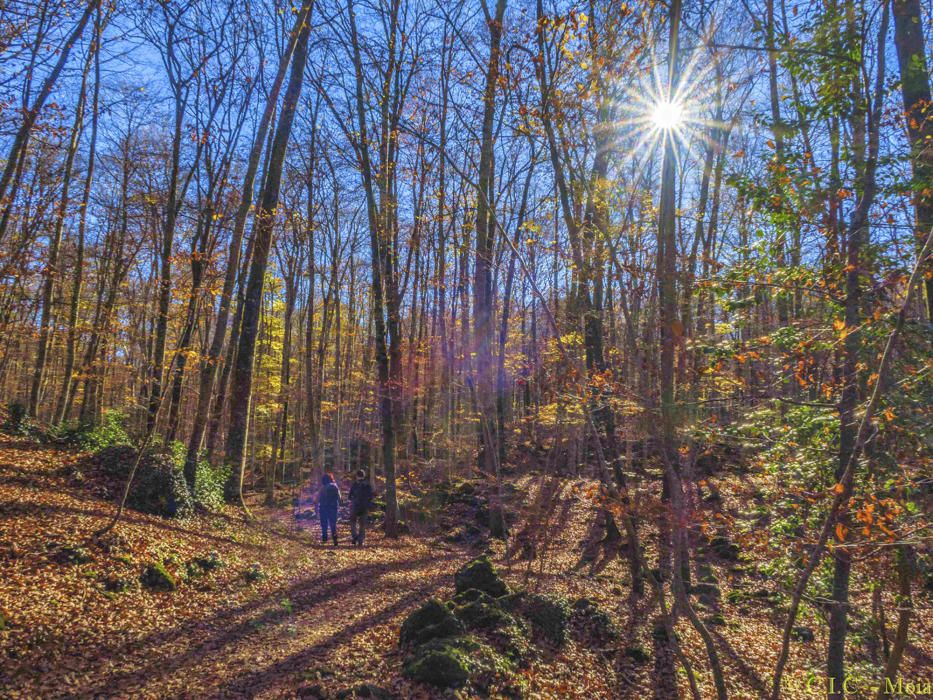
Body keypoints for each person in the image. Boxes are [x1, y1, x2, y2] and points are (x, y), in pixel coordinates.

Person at [348, 468, 373, 546]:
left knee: (353, 522)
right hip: (364, 507)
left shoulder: (354, 484)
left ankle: (354, 536)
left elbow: (349, 496)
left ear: (357, 476)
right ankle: (360, 540)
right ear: (364, 476)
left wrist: (353, 500)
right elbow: (371, 496)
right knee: (362, 524)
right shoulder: (368, 485)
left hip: (355, 506)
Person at [317, 473, 341, 545]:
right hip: (333, 507)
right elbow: (339, 498)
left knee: (324, 523)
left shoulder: (322, 488)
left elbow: (317, 498)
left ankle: (324, 538)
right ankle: (335, 538)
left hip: (323, 507)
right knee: (333, 523)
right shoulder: (335, 487)